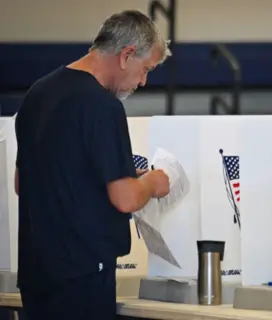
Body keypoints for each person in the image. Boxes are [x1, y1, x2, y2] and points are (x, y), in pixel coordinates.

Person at [14, 10, 172, 320]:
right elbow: (125, 198)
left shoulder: (38, 93)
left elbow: (25, 182)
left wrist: (120, 176)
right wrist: (150, 183)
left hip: (36, 273)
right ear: (126, 55)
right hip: (83, 272)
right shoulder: (103, 105)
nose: (142, 81)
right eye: (145, 69)